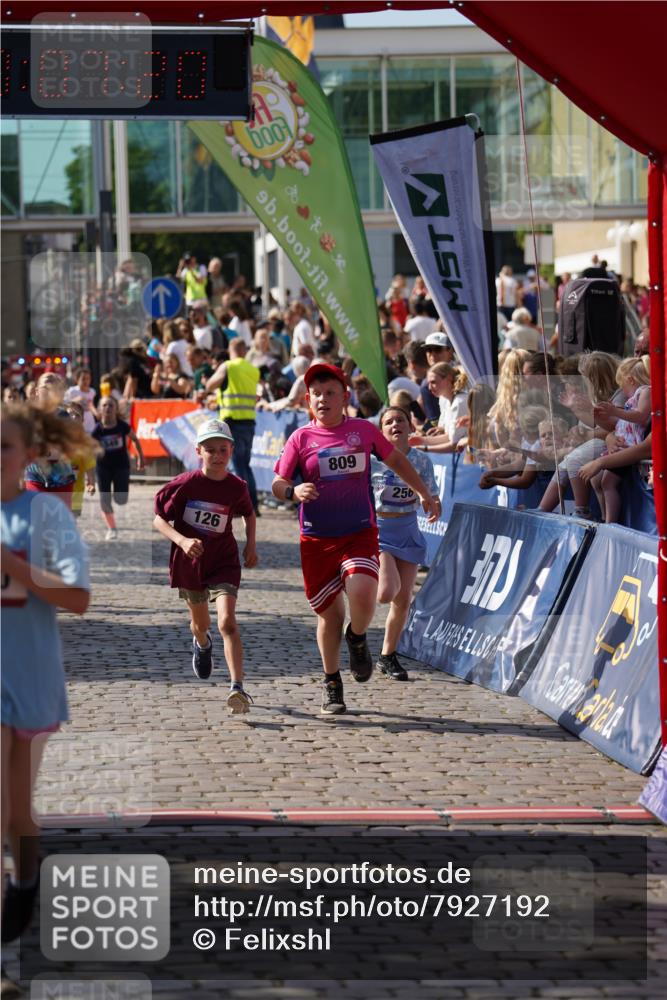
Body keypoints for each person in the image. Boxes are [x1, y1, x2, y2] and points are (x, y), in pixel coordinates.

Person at [272, 363, 438, 716]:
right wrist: (292, 490)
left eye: (330, 392)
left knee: (364, 591)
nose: (323, 399)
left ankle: (358, 637)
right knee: (330, 617)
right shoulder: (300, 439)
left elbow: (397, 462)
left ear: (344, 396)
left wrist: (423, 492)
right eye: (317, 394)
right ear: (307, 400)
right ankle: (332, 683)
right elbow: (277, 481)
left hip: (359, 532)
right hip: (316, 540)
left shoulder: (363, 431)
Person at [1, 403, 91, 969]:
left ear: (29, 456)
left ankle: (28, 874)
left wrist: (14, 566)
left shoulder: (46, 515)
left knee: (18, 816)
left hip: (30, 678)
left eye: (3, 448)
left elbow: (78, 599)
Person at [153, 418, 257, 712]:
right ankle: (202, 642)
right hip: (190, 564)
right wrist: (183, 541)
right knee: (202, 624)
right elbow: (159, 518)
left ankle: (237, 687)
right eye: (210, 449)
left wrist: (251, 544)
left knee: (227, 622)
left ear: (231, 450)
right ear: (198, 451)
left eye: (222, 449)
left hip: (223, 561)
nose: (217, 455)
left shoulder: (237, 487)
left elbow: (248, 514)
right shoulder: (185, 484)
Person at [371, 406, 440, 681]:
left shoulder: (422, 461)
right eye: (388, 422)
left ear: (411, 428)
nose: (395, 425)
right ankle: (359, 613)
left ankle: (387, 656)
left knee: (402, 601)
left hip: (408, 529)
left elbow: (431, 494)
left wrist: (434, 504)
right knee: (387, 592)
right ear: (381, 431)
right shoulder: (373, 460)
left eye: (401, 420)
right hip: (379, 530)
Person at [205, 338, 260, 515]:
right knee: (245, 465)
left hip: (232, 423)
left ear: (230, 350)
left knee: (236, 466)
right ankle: (253, 506)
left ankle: (240, 506)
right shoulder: (253, 370)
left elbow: (210, 385)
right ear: (244, 350)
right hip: (249, 421)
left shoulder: (228, 366)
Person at [92, 396, 145, 540]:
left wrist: (140, 456)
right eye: (104, 405)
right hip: (103, 467)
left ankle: (117, 497)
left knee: (121, 499)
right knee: (104, 499)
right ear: (99, 410)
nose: (107, 408)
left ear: (116, 409)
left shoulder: (122, 426)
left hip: (121, 466)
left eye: (110, 405)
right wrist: (89, 477)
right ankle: (112, 528)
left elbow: (134, 439)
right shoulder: (97, 430)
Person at [64, 402, 97, 518]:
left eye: (77, 415)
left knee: (71, 521)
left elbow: (90, 465)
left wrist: (91, 483)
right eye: (70, 414)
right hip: (57, 489)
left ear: (82, 420)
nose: (73, 417)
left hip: (76, 492)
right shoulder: (57, 439)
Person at [64, 367, 97, 433]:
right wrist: (75, 400)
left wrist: (96, 414)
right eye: (83, 379)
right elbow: (64, 404)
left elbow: (91, 406)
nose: (86, 381)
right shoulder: (72, 391)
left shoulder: (92, 391)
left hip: (90, 422)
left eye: (88, 379)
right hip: (77, 420)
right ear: (77, 380)